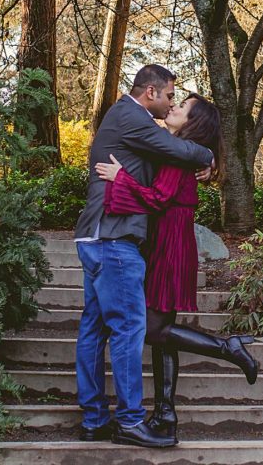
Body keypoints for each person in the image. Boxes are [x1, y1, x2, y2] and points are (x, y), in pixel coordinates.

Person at [95, 92, 259, 445]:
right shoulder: (180, 154)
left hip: (168, 245)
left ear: (193, 123)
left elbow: (156, 199)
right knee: (162, 330)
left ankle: (226, 348)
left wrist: (121, 177)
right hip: (172, 241)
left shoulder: (178, 158)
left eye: (180, 106)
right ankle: (166, 416)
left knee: (154, 331)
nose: (172, 107)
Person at [73, 65, 214, 448]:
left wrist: (199, 167)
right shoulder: (131, 116)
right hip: (113, 237)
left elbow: (168, 161)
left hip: (97, 237)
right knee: (129, 328)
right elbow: (177, 147)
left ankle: (94, 418)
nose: (170, 102)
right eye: (170, 95)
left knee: (95, 328)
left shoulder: (127, 121)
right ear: (150, 92)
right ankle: (131, 421)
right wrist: (208, 155)